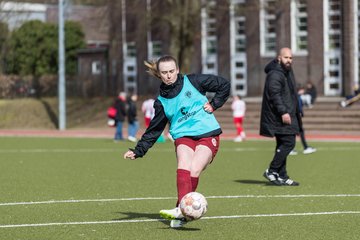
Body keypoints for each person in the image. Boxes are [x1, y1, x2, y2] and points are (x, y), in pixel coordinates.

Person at [123, 55, 230, 228]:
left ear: (177, 70)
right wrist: (139, 150)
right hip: (183, 136)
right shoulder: (161, 102)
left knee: (195, 169)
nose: (169, 75)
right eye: (164, 72)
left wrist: (214, 103)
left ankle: (180, 210)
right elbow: (154, 130)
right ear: (159, 74)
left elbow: (224, 84)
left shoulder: (194, 81)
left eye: (172, 71)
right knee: (183, 165)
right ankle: (183, 211)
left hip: (207, 133)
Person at [260, 47, 301, 186]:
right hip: (280, 116)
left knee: (283, 144)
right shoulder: (276, 74)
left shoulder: (286, 72)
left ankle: (282, 175)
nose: (289, 60)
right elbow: (274, 94)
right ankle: (272, 170)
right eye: (286, 57)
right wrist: (283, 111)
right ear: (279, 58)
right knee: (289, 143)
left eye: (290, 58)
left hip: (289, 113)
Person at [289, 89, 317, 155]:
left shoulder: (296, 96)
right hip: (295, 116)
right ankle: (304, 148)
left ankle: (303, 147)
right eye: (302, 90)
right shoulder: (296, 97)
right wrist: (300, 113)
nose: (303, 91)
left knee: (297, 132)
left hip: (295, 116)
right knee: (297, 131)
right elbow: (298, 107)